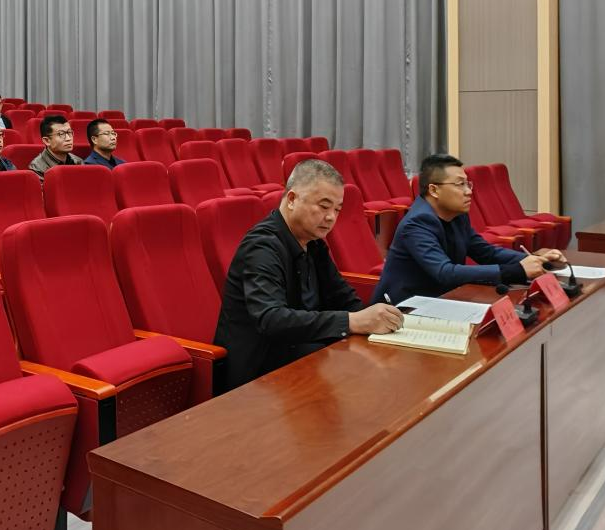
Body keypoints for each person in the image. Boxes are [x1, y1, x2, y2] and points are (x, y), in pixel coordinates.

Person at [214, 159, 403, 392]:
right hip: (259, 376)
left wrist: (376, 319)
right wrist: (353, 321)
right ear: (292, 199)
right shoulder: (261, 247)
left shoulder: (313, 243)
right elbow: (272, 319)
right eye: (324, 206)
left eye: (337, 209)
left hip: (303, 356)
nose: (331, 217)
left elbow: (343, 297)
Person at [372, 154, 564, 303]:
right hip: (403, 309)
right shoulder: (417, 223)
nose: (468, 191)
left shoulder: (457, 215)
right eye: (460, 184)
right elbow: (445, 272)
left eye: (468, 184)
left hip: (441, 299)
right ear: (434, 190)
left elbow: (485, 253)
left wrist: (534, 260)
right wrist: (516, 271)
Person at [29, 114, 83, 180]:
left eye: (69, 132)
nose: (68, 138)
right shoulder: (37, 167)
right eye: (61, 134)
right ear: (47, 141)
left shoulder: (78, 161)